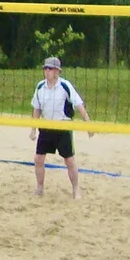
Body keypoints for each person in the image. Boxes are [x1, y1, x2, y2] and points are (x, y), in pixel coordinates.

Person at [31, 56, 92, 197]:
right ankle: (40, 188)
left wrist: (88, 124)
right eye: (45, 68)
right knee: (38, 159)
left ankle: (76, 189)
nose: (47, 71)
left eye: (50, 69)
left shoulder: (65, 86)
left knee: (69, 160)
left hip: (63, 126)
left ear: (57, 71)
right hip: (46, 126)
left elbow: (79, 104)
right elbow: (36, 108)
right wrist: (33, 129)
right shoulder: (40, 86)